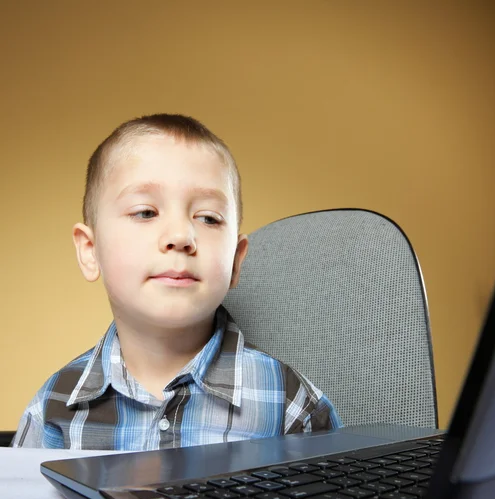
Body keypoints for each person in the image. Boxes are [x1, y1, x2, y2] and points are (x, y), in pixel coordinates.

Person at [12, 113, 341, 449]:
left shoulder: (293, 407)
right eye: (145, 212)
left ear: (235, 262)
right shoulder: (51, 411)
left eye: (209, 218)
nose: (181, 236)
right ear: (90, 251)